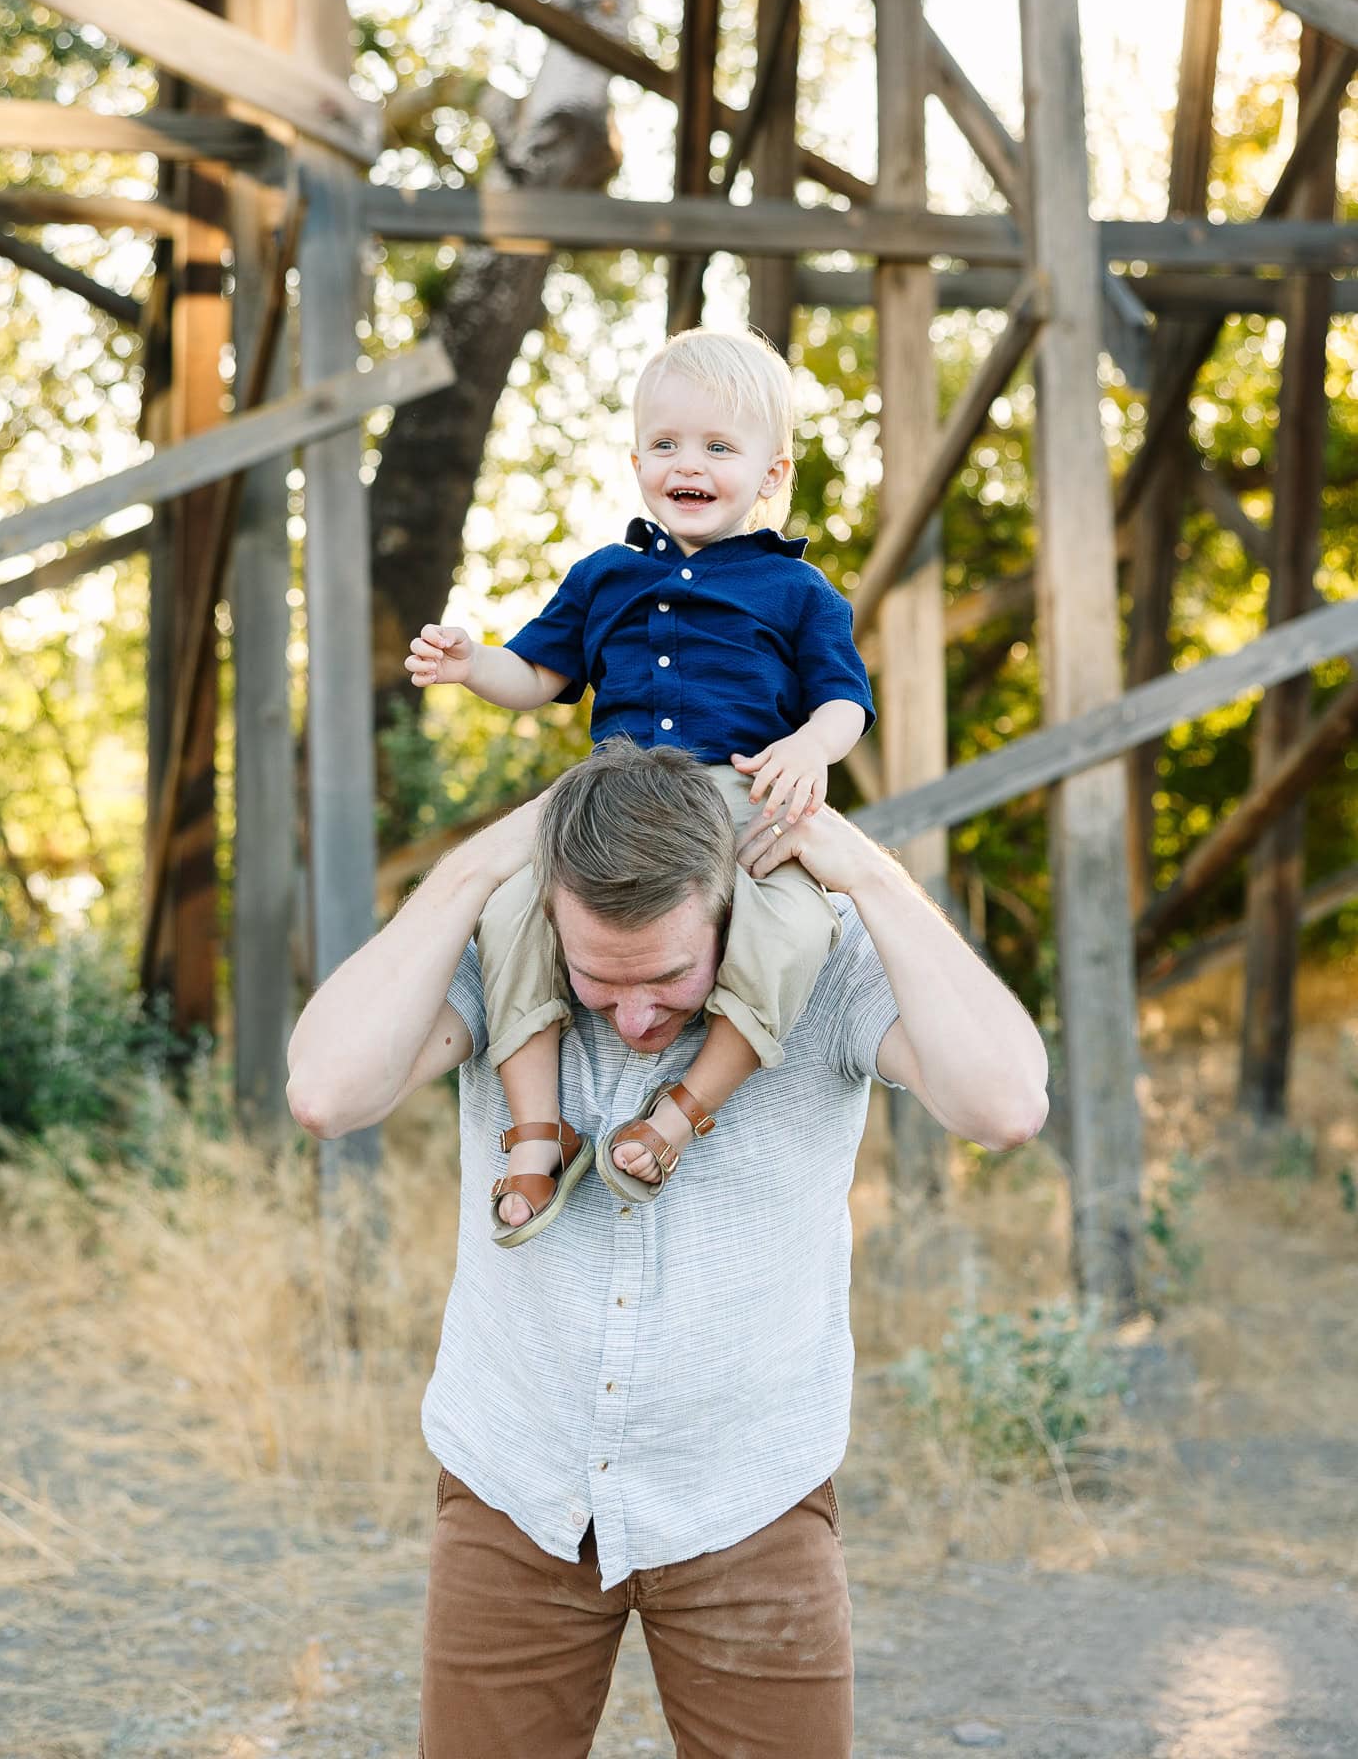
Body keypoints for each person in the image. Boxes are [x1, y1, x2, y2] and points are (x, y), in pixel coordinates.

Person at [285, 739, 1049, 1758]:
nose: (637, 1017)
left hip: (749, 1498)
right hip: (515, 1491)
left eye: (669, 977)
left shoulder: (821, 958)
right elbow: (327, 1094)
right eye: (597, 981)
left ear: (727, 902)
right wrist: (472, 869)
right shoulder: (505, 950)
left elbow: (1003, 1104)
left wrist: (869, 871)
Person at [404, 326, 875, 1245]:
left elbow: (844, 703)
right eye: (665, 445)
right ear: (635, 462)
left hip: (736, 796)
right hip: (611, 805)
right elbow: (537, 677)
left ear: (770, 475)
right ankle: (536, 1130)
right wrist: (472, 665)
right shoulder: (604, 576)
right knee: (507, 914)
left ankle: (681, 1111)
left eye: (716, 447)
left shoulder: (798, 590)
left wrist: (812, 750)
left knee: (795, 923)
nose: (685, 464)